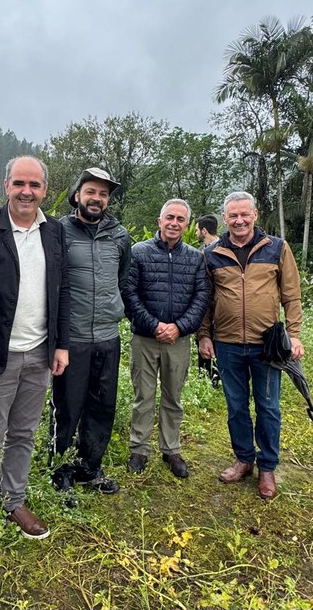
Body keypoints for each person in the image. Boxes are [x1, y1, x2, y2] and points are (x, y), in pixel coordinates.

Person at [0, 156, 70, 558]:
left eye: (34, 185)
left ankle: (14, 501)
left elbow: (62, 290)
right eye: (19, 183)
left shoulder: (54, 231)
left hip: (39, 352)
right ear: (6, 186)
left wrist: (60, 344)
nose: (26, 191)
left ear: (45, 190)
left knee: (24, 433)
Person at [198, 192, 304, 499]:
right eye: (233, 215)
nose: (239, 220)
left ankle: (267, 467)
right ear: (225, 218)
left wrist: (294, 334)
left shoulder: (277, 248)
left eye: (244, 214)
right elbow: (206, 299)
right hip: (227, 344)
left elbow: (291, 295)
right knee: (236, 406)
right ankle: (244, 459)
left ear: (255, 215)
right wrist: (204, 335)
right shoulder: (213, 253)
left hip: (266, 345)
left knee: (268, 406)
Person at [50, 167, 131, 502]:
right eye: (91, 192)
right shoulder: (58, 231)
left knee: (102, 404)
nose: (96, 199)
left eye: (103, 194)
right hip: (73, 337)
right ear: (77, 195)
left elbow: (122, 279)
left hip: (108, 336)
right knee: (68, 406)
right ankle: (61, 471)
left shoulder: (120, 236)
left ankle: (90, 467)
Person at [122, 199, 208, 478]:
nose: (174, 223)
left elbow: (201, 297)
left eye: (180, 219)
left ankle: (171, 449)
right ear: (160, 221)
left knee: (173, 396)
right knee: (143, 396)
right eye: (169, 217)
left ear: (187, 225)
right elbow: (129, 293)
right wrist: (153, 324)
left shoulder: (195, 257)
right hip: (145, 338)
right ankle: (139, 449)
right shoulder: (139, 252)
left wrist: (180, 327)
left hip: (178, 341)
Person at [195, 215, 221, 386]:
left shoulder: (221, 250)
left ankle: (215, 378)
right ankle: (204, 377)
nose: (196, 233)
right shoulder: (201, 251)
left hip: (217, 307)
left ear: (204, 231)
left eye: (197, 230)